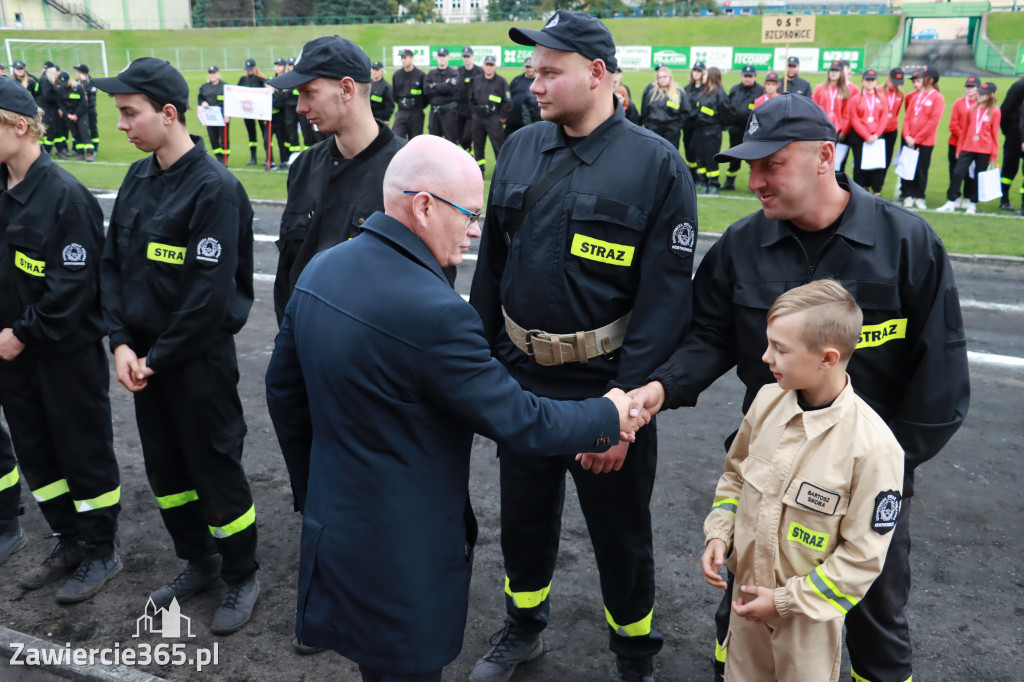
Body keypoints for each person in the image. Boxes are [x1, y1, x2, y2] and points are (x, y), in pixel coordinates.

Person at [266, 133, 647, 682]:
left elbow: (284, 394)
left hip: (336, 531)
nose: (476, 230)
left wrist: (318, 495)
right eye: (469, 213)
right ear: (422, 206)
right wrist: (610, 413)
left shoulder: (323, 268)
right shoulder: (439, 314)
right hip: (405, 557)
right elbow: (521, 421)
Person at [627, 93, 969, 682]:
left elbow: (940, 381)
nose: (755, 180)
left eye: (771, 164)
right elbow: (707, 335)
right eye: (750, 166)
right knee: (744, 610)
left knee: (874, 618)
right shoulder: (740, 244)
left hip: (862, 476)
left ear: (824, 157)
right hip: (767, 469)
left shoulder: (906, 244)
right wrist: (662, 386)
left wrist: (884, 469)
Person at [468, 11, 698, 682]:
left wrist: (624, 413)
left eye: (549, 72)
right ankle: (524, 626)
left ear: (597, 74)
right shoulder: (518, 147)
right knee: (524, 522)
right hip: (520, 383)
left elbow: (663, 304)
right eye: (532, 71)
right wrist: (480, 373)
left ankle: (634, 656)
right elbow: (491, 269)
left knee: (621, 537)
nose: (533, 84)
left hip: (606, 387)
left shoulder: (656, 167)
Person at [94, 57, 259, 635]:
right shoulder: (139, 178)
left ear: (168, 114)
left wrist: (156, 358)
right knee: (166, 471)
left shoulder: (215, 188)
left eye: (129, 113)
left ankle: (241, 573)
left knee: (214, 468)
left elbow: (208, 300)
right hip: (142, 362)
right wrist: (119, 344)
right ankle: (200, 561)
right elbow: (111, 267)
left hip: (194, 365)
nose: (121, 124)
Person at [702, 280, 904, 682]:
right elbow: (735, 477)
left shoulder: (874, 448)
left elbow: (861, 559)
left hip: (805, 621)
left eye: (780, 348)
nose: (765, 356)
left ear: (827, 358)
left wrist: (784, 602)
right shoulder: (765, 403)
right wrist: (719, 534)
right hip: (746, 606)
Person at [0, 77, 122, 602]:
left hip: (61, 354)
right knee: (36, 454)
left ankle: (101, 550)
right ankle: (68, 539)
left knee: (82, 452)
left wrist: (21, 334)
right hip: (11, 354)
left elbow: (73, 290)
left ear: (20, 125)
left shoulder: (65, 196)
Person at [267, 36, 406, 325]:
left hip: (370, 361)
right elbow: (288, 273)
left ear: (346, 89)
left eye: (309, 93)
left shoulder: (408, 169)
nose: (300, 107)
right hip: (301, 351)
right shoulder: (304, 167)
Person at [938, 82, 1000, 215]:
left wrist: (994, 154)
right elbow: (964, 132)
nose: (979, 95)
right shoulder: (971, 110)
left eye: (983, 93)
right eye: (980, 92)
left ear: (990, 95)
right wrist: (959, 149)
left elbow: (995, 134)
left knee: (979, 176)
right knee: (958, 172)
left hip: (984, 149)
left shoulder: (995, 111)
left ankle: (973, 204)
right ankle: (951, 201)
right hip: (968, 147)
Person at [901, 66, 944, 210]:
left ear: (930, 80)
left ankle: (919, 196)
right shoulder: (916, 96)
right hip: (909, 139)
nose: (920, 79)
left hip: (925, 141)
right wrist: (906, 134)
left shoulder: (937, 97)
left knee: (921, 169)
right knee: (908, 167)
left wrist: (917, 138)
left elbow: (933, 122)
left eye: (924, 76)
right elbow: (907, 116)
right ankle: (907, 195)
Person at [693, 66, 732, 195]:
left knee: (711, 158)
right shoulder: (704, 92)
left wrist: (717, 124)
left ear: (711, 76)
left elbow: (725, 112)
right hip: (699, 130)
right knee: (700, 158)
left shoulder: (720, 93)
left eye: (705, 75)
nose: (703, 77)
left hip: (712, 131)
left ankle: (714, 184)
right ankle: (704, 183)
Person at [723, 65, 763, 190]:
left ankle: (757, 183)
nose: (747, 78)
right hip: (735, 128)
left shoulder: (760, 91)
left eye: (750, 76)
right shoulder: (735, 89)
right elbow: (728, 107)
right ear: (741, 76)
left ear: (755, 77)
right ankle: (730, 181)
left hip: (752, 130)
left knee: (754, 157)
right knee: (734, 155)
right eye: (745, 76)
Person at [469, 55, 510, 177]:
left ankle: (502, 172)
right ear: (483, 65)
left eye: (491, 65)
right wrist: (474, 113)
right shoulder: (476, 80)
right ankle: (479, 172)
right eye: (487, 65)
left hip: (494, 118)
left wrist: (502, 117)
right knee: (478, 146)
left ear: (495, 66)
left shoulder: (501, 81)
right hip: (478, 118)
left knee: (498, 146)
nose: (489, 67)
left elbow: (508, 101)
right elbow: (470, 98)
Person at [847, 70, 887, 195]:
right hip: (860, 137)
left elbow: (884, 118)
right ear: (862, 81)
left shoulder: (881, 98)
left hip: (877, 137)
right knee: (860, 166)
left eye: (872, 80)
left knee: (877, 166)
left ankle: (877, 192)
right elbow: (854, 118)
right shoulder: (855, 99)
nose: (870, 82)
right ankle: (859, 192)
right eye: (867, 80)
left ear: (876, 82)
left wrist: (876, 135)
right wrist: (866, 135)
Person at [944, 76, 980, 210]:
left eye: (972, 87)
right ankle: (955, 195)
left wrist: (969, 140)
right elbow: (953, 124)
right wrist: (964, 138)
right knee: (955, 170)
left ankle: (968, 196)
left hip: (973, 146)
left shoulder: (980, 104)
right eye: (967, 87)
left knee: (970, 172)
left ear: (978, 89)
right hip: (955, 142)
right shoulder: (959, 103)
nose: (969, 90)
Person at [813, 60, 851, 173]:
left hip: (836, 129)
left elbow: (846, 113)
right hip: (821, 127)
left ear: (841, 73)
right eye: (832, 70)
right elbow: (814, 108)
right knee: (818, 156)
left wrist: (843, 130)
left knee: (831, 158)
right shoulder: (820, 88)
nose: (833, 73)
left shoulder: (844, 90)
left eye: (836, 71)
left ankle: (828, 183)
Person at [639, 65, 689, 151]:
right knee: (654, 154)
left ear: (670, 77)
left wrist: (677, 126)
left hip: (672, 130)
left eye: (665, 76)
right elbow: (645, 112)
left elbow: (685, 112)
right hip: (654, 129)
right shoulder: (652, 93)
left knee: (671, 154)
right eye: (660, 77)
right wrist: (648, 125)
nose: (662, 79)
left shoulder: (679, 92)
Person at [237, 58, 272, 167]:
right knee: (251, 134)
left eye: (251, 68)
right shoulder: (243, 79)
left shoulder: (261, 79)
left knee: (264, 134)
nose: (250, 70)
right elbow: (237, 93)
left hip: (260, 112)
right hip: (247, 112)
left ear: (255, 67)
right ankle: (253, 157)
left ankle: (268, 156)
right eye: (248, 69)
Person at [997, 73, 1024, 211]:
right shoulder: (1019, 85)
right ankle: (1004, 198)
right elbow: (1006, 110)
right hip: (1015, 134)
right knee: (1009, 168)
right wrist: (1008, 131)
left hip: (1015, 132)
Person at [425, 48, 459, 143]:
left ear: (448, 57)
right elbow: (427, 91)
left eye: (444, 56)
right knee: (434, 143)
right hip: (434, 113)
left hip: (448, 113)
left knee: (451, 142)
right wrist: (443, 85)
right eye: (440, 56)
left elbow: (450, 89)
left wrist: (434, 85)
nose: (442, 58)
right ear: (437, 57)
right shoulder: (431, 73)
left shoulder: (453, 72)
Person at [57, 71, 93, 161]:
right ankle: (80, 153)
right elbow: (60, 104)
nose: (64, 85)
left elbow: (83, 103)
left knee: (84, 133)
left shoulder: (78, 88)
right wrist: (68, 115)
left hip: (81, 114)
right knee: (76, 135)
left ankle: (89, 153)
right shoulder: (60, 89)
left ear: (69, 79)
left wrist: (76, 115)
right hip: (69, 115)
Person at [197, 65, 230, 164]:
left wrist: (227, 115)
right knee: (213, 138)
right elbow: (200, 98)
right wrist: (203, 103)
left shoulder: (225, 86)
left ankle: (225, 158)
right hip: (210, 117)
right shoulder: (204, 87)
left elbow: (230, 102)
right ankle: (218, 156)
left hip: (222, 116)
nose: (212, 76)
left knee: (224, 138)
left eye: (214, 73)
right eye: (210, 74)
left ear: (218, 74)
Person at [392, 49, 426, 140]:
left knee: (415, 140)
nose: (403, 60)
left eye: (405, 58)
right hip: (402, 110)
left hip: (416, 111)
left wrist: (417, 106)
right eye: (402, 58)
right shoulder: (396, 75)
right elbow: (394, 95)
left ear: (411, 58)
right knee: (397, 137)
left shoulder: (420, 75)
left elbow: (426, 95)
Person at [879, 68, 905, 185]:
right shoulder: (878, 91)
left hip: (892, 130)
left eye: (898, 82)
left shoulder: (901, 94)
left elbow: (896, 112)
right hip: (879, 131)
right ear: (889, 78)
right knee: (876, 160)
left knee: (887, 159)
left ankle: (879, 186)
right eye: (894, 81)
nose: (896, 85)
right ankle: (869, 185)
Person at [682, 61, 706, 181]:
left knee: (699, 149)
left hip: (700, 124)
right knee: (688, 149)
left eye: (699, 71)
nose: (696, 73)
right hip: (687, 124)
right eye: (695, 70)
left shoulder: (706, 89)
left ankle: (701, 175)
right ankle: (692, 174)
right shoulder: (687, 88)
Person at [506, 57, 540, 135]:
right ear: (524, 67)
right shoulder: (517, 80)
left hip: (529, 122)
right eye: (527, 67)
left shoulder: (538, 82)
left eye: (531, 67)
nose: (530, 69)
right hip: (512, 121)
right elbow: (508, 97)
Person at [457, 46, 482, 151]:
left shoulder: (479, 71)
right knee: (459, 136)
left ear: (472, 56)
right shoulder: (458, 71)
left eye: (468, 56)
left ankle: (467, 151)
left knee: (468, 135)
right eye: (464, 56)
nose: (466, 58)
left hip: (472, 109)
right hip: (459, 108)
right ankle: (467, 153)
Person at [269, 58, 292, 168]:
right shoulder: (272, 80)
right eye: (276, 65)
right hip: (273, 116)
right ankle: (270, 161)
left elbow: (284, 98)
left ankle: (286, 159)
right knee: (269, 140)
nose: (277, 67)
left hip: (284, 114)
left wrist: (276, 94)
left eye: (280, 65)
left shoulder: (287, 81)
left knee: (284, 139)